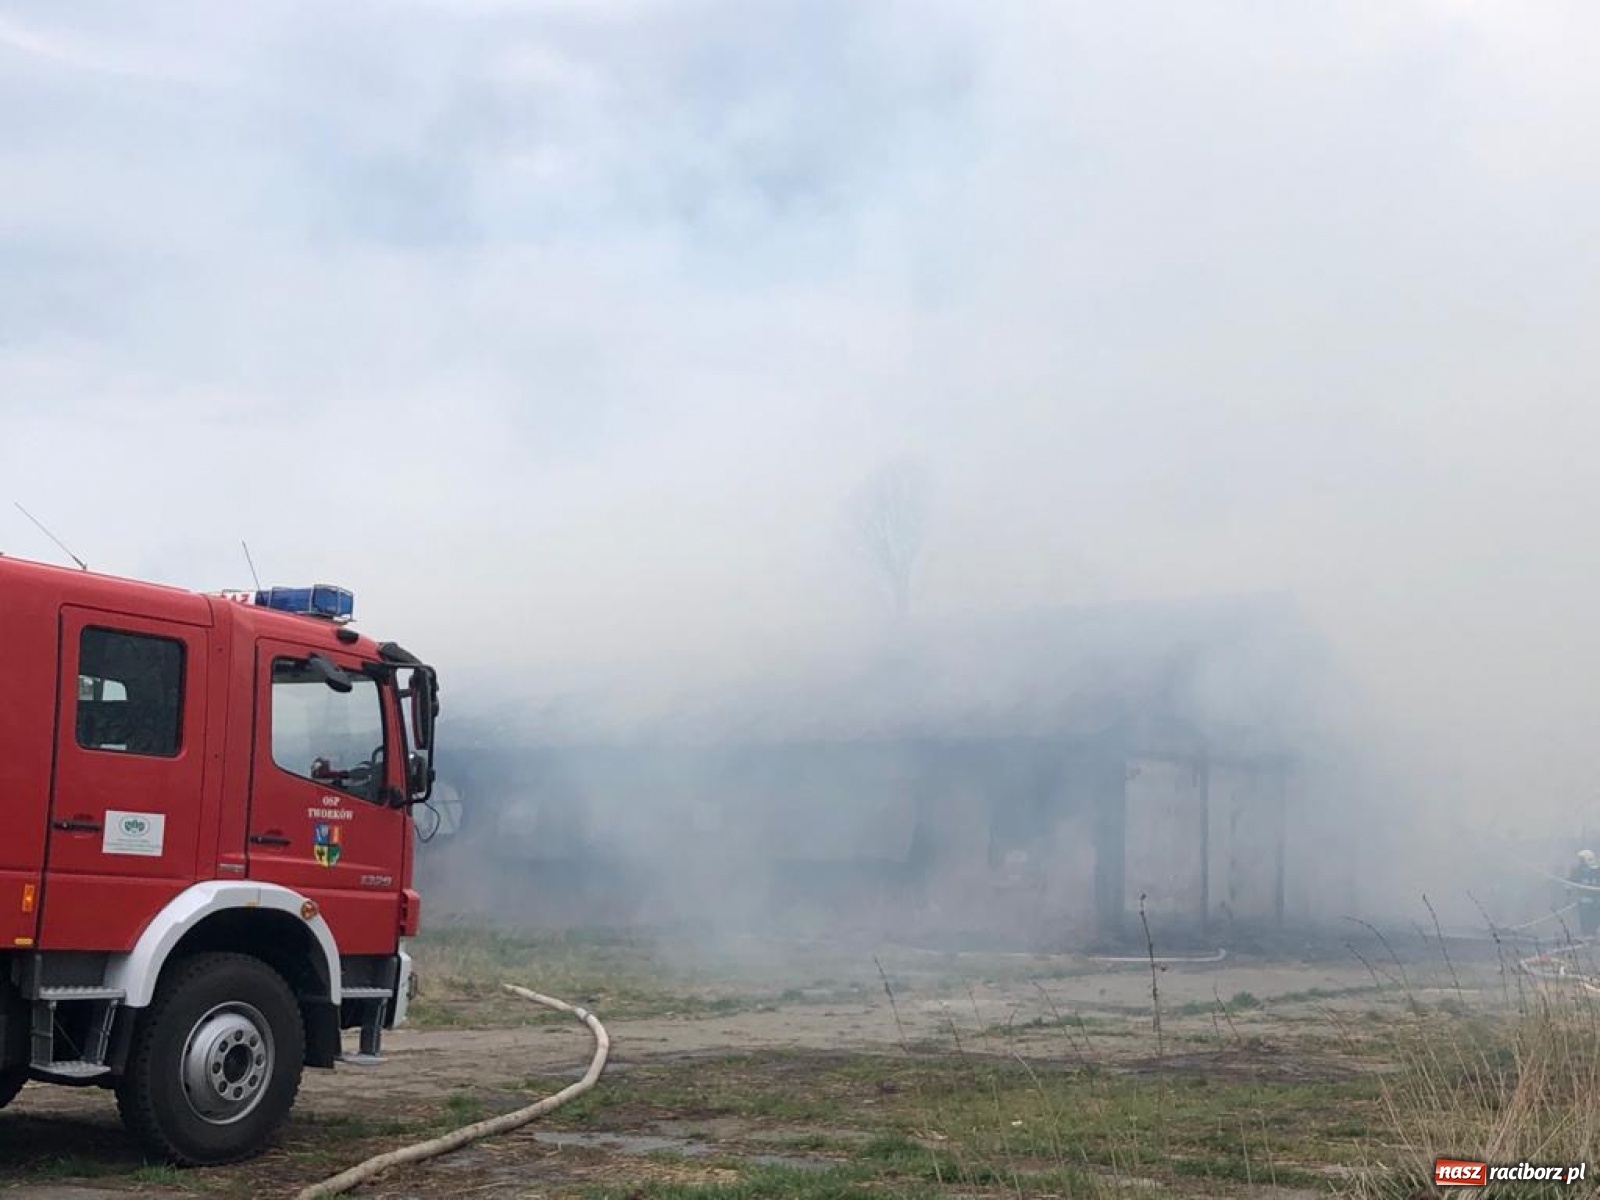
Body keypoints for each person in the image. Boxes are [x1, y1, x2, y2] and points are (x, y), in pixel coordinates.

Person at [1570, 849, 1600, 936]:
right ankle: (1587, 937)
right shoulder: (1578, 871)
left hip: (1596, 904)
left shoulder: (1597, 872)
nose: (1580, 863)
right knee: (1584, 923)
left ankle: (1593, 936)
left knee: (1594, 922)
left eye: (1582, 860)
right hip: (1583, 903)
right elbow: (1571, 882)